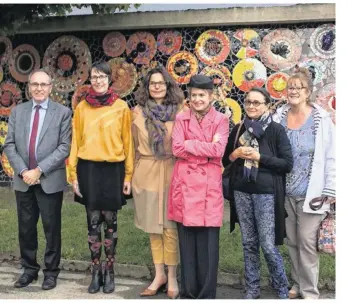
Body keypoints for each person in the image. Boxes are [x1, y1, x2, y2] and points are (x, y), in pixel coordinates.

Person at [68, 61, 134, 294]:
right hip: (89, 170)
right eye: (94, 77)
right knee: (93, 223)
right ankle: (96, 271)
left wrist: (128, 175)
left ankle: (110, 269)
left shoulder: (121, 107)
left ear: (109, 79)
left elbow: (128, 143)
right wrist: (72, 174)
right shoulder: (82, 108)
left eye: (102, 76)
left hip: (113, 170)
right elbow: (75, 142)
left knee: (111, 223)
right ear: (90, 80)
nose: (97, 80)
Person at [4, 69, 72, 290]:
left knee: (51, 228)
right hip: (23, 180)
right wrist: (24, 170)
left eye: (44, 84)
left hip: (49, 179)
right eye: (35, 84)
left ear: (51, 87)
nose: (39, 88)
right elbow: (9, 144)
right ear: (29, 87)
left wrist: (39, 170)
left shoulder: (62, 112)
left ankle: (51, 272)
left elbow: (64, 147)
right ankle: (29, 269)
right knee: (26, 228)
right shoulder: (18, 112)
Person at [222, 87, 293, 299]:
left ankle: (281, 288)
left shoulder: (276, 130)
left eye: (257, 102)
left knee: (268, 245)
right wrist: (235, 153)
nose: (252, 106)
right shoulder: (238, 129)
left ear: (267, 105)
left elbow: (287, 164)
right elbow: (225, 160)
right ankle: (252, 289)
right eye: (248, 102)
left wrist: (260, 157)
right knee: (248, 243)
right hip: (242, 192)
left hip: (266, 194)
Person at [273, 68, 335, 299]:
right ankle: (297, 284)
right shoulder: (278, 117)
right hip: (285, 191)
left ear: (308, 92)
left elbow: (332, 155)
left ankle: (310, 291)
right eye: (290, 87)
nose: (294, 91)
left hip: (312, 193)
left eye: (299, 88)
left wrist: (331, 188)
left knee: (308, 243)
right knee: (292, 242)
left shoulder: (321, 119)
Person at [167, 74, 229, 299]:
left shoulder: (221, 120)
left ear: (210, 96)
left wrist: (190, 144)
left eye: (202, 95)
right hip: (185, 185)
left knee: (208, 243)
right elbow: (176, 149)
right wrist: (205, 148)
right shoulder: (181, 118)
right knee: (187, 243)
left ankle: (206, 293)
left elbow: (219, 151)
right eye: (193, 95)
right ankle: (189, 291)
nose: (197, 99)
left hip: (208, 188)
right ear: (189, 96)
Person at [132, 66, 185, 299]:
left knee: (170, 227)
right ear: (147, 87)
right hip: (146, 172)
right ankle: (158, 274)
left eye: (161, 83)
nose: (156, 86)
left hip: (173, 171)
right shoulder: (137, 112)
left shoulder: (182, 112)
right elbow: (131, 145)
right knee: (154, 228)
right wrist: (128, 176)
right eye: (152, 83)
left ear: (168, 86)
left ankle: (172, 277)